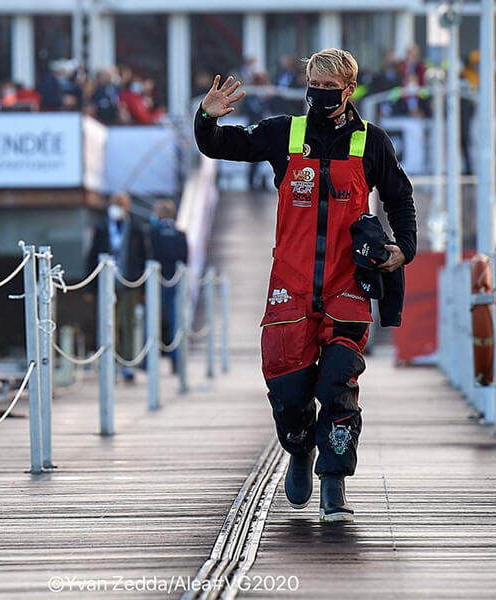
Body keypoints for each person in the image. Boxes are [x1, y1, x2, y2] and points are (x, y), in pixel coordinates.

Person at [194, 48, 416, 522]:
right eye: (312, 88)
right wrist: (205, 120)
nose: (319, 97)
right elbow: (218, 146)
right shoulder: (283, 133)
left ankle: (334, 485)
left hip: (347, 285)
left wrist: (403, 248)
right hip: (290, 288)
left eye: (329, 90)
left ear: (349, 90)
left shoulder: (372, 142)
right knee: (288, 391)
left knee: (339, 385)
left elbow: (400, 198)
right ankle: (298, 448)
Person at [87, 193, 151, 382]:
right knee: (108, 323)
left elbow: (144, 255)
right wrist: (90, 288)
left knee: (127, 323)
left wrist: (144, 288)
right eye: (114, 204)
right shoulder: (101, 227)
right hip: (106, 282)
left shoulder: (136, 228)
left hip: (129, 281)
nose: (116, 207)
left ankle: (127, 364)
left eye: (120, 204)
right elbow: (92, 257)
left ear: (127, 207)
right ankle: (110, 362)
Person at [148, 200, 189, 372]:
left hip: (155, 280)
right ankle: (176, 360)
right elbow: (185, 258)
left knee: (152, 319)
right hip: (175, 280)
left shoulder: (154, 232)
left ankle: (149, 360)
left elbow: (151, 253)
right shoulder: (180, 234)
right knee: (175, 320)